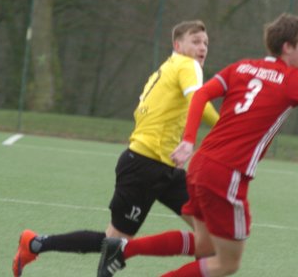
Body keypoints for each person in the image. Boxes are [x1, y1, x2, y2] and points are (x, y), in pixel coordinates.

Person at [96, 13, 298, 277]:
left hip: (201, 164)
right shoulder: (293, 80)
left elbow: (201, 95)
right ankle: (125, 252)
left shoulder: (241, 67)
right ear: (287, 47)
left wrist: (190, 141)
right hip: (226, 174)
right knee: (227, 263)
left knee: (205, 245)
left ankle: (123, 249)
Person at [12, 20, 220, 276]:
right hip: (144, 166)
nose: (202, 47)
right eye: (196, 41)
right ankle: (36, 244)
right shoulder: (187, 65)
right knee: (114, 242)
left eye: (206, 43)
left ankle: (35, 244)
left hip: (165, 168)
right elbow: (199, 101)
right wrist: (227, 127)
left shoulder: (166, 69)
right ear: (177, 45)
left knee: (211, 235)